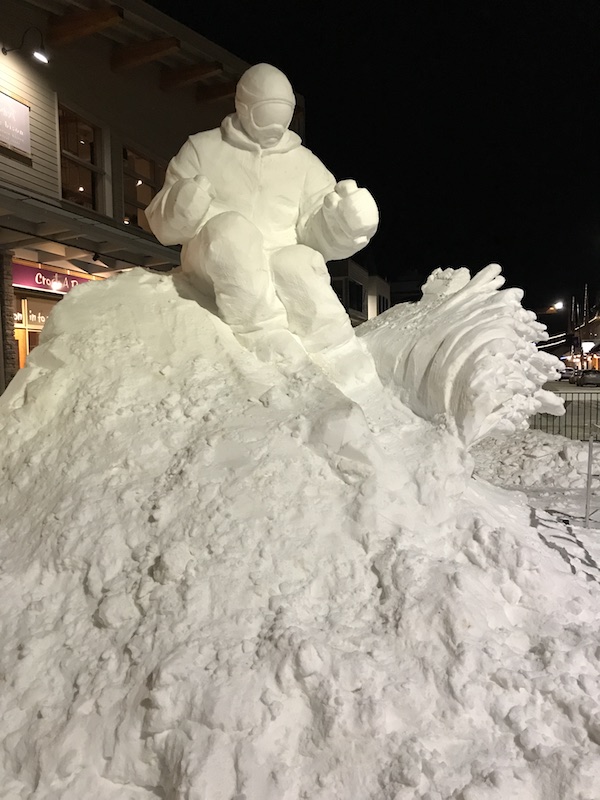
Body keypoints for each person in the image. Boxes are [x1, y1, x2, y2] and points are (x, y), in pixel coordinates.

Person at [145, 63, 379, 388]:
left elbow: (317, 231)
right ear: (243, 106)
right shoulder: (203, 149)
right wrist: (183, 206)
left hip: (276, 260)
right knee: (233, 234)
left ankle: (335, 345)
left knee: (298, 261)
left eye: (282, 119)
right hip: (215, 262)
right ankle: (261, 331)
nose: (274, 128)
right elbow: (163, 224)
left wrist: (345, 224)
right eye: (264, 116)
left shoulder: (304, 163)